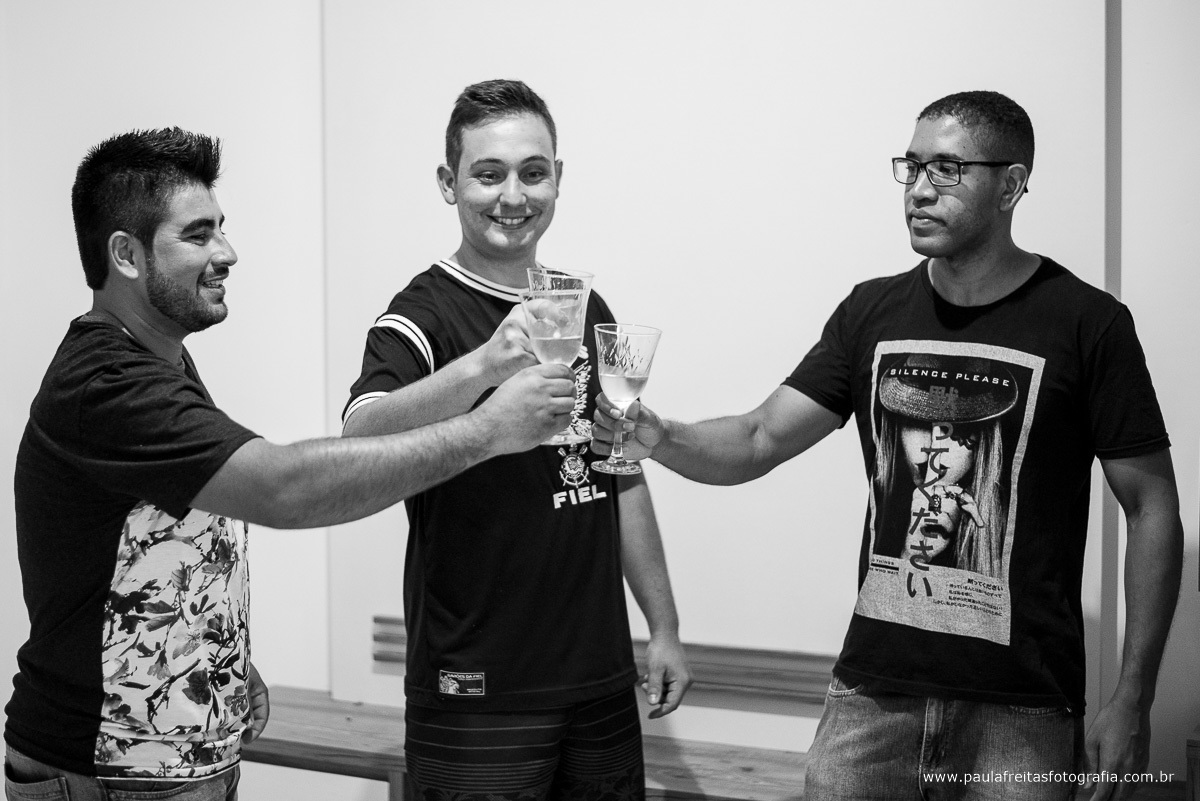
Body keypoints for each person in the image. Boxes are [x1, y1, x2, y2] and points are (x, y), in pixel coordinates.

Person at [593, 90, 1184, 801]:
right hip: (870, 699)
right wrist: (662, 435)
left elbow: (1152, 508)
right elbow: (758, 437)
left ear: (1011, 184)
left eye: (947, 168)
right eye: (911, 166)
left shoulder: (1088, 323)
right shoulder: (870, 311)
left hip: (1021, 712)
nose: (919, 189)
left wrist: (1133, 694)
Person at [5, 127, 575, 801]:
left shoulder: (158, 361)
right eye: (198, 235)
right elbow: (284, 488)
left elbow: (161, 539)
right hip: (103, 767)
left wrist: (219, 659)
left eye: (221, 228)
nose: (227, 252)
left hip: (165, 762)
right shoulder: (105, 383)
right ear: (126, 255)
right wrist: (485, 429)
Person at [342, 79, 690, 801]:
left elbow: (620, 465)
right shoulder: (418, 314)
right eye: (488, 174)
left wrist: (663, 624)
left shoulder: (587, 302)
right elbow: (357, 433)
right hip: (474, 685)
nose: (513, 196)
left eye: (533, 173)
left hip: (597, 678)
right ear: (450, 183)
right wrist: (486, 364)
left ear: (558, 179)